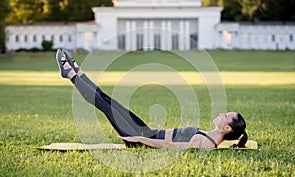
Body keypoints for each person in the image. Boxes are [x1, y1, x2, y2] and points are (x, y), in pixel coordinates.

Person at [56, 49, 248, 149]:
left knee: (105, 105)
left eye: (226, 116)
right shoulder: (210, 136)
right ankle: (78, 71)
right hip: (146, 131)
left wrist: (138, 138)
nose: (221, 114)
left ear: (227, 128)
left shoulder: (207, 144)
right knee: (109, 100)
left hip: (142, 138)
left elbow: (169, 145)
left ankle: (70, 75)